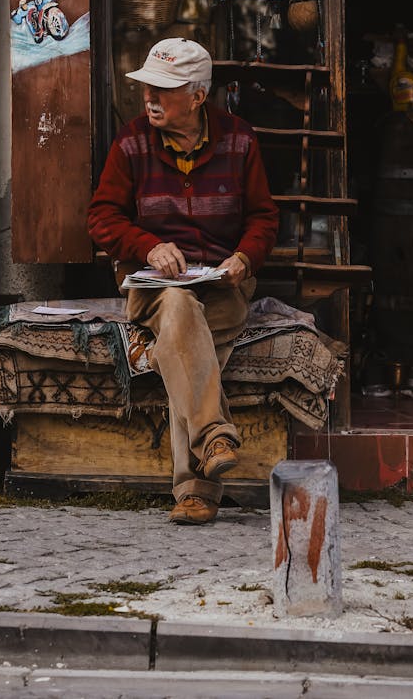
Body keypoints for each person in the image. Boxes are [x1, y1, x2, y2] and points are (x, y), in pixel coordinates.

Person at [87, 38, 278, 524]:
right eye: (147, 86)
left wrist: (244, 258)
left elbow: (263, 218)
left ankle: (196, 488)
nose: (149, 97)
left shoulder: (239, 140)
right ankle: (213, 439)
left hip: (220, 285)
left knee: (180, 342)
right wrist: (147, 246)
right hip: (152, 286)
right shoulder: (131, 141)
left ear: (197, 97)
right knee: (175, 306)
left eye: (163, 89)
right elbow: (102, 218)